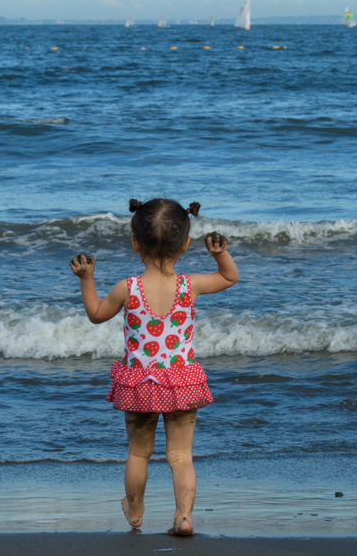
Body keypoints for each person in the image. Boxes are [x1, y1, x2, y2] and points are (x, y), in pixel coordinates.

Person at [70, 198, 238, 536]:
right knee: (180, 456)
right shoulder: (191, 286)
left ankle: (135, 510)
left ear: (135, 243)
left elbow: (96, 314)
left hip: (140, 384)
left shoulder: (127, 288)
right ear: (186, 245)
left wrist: (87, 278)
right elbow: (229, 277)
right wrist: (219, 253)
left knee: (139, 452)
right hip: (182, 382)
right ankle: (184, 517)